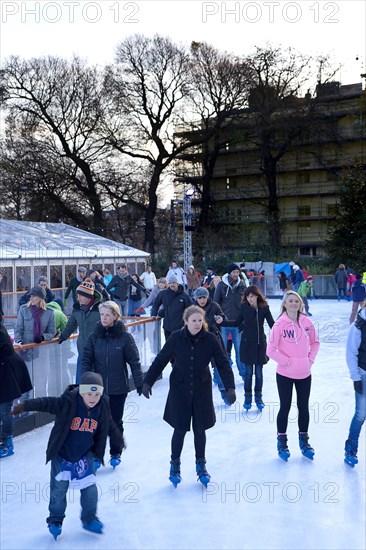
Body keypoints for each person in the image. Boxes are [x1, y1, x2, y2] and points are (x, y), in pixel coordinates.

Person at [10, 371, 123, 539]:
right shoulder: (68, 402)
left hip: (85, 455)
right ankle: (55, 519)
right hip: (62, 454)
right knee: (58, 490)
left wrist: (118, 439)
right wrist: (24, 406)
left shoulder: (102, 406)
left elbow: (109, 425)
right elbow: (46, 403)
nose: (93, 398)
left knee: (90, 491)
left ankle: (89, 519)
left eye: (97, 394)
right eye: (89, 394)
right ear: (82, 392)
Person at [141, 305, 236, 487]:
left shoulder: (210, 339)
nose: (197, 324)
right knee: (180, 429)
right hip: (180, 390)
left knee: (200, 429)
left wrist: (230, 387)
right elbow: (161, 359)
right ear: (186, 321)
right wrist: (148, 381)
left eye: (200, 321)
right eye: (194, 321)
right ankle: (174, 465)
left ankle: (201, 465)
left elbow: (223, 363)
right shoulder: (176, 337)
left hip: (201, 390)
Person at [82, 301, 144, 467]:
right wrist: (85, 382)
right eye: (102, 314)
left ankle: (115, 452)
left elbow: (134, 361)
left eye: (107, 315)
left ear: (115, 316)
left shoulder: (125, 337)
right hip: (97, 389)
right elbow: (86, 360)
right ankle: (96, 454)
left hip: (118, 388)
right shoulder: (94, 337)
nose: (104, 318)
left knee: (115, 421)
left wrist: (140, 383)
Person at [266, 290, 320, 461]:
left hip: (304, 373)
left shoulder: (306, 322)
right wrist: (287, 361)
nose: (294, 304)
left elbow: (315, 342)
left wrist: (309, 360)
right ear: (284, 304)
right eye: (290, 301)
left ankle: (304, 441)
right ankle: (282, 442)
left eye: (297, 301)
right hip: (285, 374)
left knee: (303, 407)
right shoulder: (279, 324)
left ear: (300, 304)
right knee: (285, 407)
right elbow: (270, 350)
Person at [221, 285, 274, 411]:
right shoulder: (244, 307)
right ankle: (247, 398)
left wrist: (285, 326)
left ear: (257, 296)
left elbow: (273, 324)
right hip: (247, 345)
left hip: (260, 345)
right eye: (248, 297)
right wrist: (222, 322)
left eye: (252, 296)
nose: (250, 299)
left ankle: (259, 398)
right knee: (249, 374)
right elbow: (236, 322)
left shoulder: (264, 308)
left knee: (259, 374)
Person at [59, 279, 102, 383]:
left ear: (88, 296)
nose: (78, 299)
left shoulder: (101, 309)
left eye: (80, 296)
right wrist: (62, 336)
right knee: (81, 382)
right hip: (83, 351)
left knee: (97, 384)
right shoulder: (78, 309)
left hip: (99, 353)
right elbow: (71, 325)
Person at [192, 286, 230, 406]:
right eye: (200, 298)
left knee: (219, 370)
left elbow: (224, 317)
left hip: (214, 340)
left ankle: (225, 395)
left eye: (204, 297)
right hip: (198, 343)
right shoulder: (192, 309)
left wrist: (220, 319)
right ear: (196, 299)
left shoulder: (214, 306)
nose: (202, 300)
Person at [0, 324, 33, 459]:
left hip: (7, 371)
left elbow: (4, 345)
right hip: (5, 368)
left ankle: (7, 441)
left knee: (4, 408)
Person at [213, 263, 247, 379]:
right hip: (224, 323)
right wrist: (217, 318)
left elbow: (246, 303)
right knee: (222, 352)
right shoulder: (221, 286)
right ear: (229, 273)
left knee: (240, 352)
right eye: (234, 272)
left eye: (237, 272)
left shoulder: (242, 286)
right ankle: (219, 376)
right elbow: (215, 303)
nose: (236, 274)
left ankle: (244, 375)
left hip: (237, 323)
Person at [344, 299, 366, 467]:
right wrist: (356, 378)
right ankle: (351, 449)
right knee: (360, 414)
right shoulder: (359, 325)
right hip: (363, 374)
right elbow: (351, 353)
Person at [150, 274, 192, 342]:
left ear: (177, 283)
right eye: (170, 283)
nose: (172, 284)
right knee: (169, 348)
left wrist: (186, 323)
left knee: (180, 348)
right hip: (167, 328)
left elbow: (190, 310)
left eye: (174, 282)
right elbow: (155, 303)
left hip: (180, 328)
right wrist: (153, 314)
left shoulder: (184, 296)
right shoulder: (163, 294)